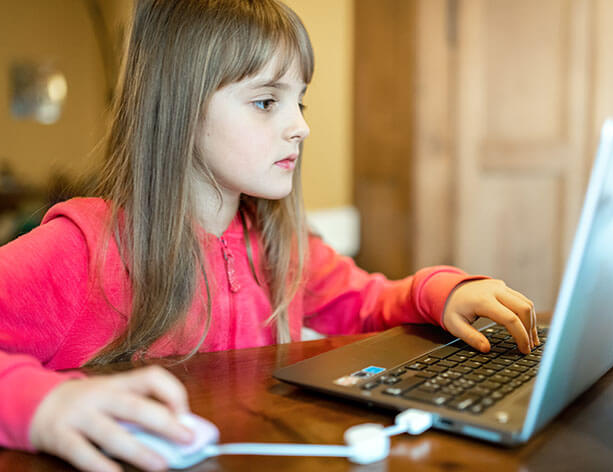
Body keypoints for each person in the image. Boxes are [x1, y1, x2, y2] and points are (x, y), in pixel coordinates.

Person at [0, 1, 540, 471]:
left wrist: (440, 292)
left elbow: (369, 303)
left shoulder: (279, 242)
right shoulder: (83, 249)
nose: (300, 126)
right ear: (180, 111)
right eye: (266, 102)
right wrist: (42, 409)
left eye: (299, 101)